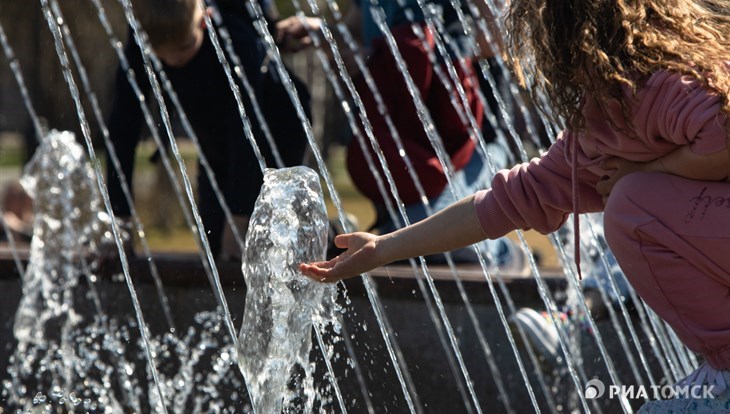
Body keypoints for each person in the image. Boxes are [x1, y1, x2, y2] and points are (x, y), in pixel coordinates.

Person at [301, 0, 730, 411]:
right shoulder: (600, 123)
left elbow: (723, 133)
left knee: (633, 203)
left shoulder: (660, 82)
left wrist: (650, 170)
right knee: (632, 199)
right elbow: (502, 203)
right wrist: (384, 248)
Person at [277, 1, 527, 270]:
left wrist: (438, 50)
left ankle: (507, 255)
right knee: (412, 240)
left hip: (472, 139)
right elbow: (353, 35)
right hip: (402, 143)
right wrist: (325, 34)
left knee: (439, 241)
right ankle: (380, 226)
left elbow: (506, 32)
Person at [106, 0, 309, 259]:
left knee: (276, 240)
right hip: (216, 141)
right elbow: (122, 130)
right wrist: (119, 226)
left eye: (184, 47)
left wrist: (238, 219)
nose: (174, 60)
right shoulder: (144, 38)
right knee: (215, 245)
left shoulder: (234, 40)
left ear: (205, 21)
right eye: (161, 55)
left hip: (279, 126)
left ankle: (329, 243)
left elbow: (245, 130)